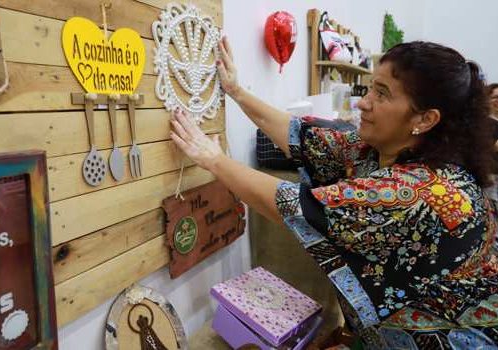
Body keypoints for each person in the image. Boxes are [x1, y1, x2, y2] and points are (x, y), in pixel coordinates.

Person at [170, 38, 498, 349]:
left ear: (425, 119)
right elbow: (304, 137)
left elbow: (298, 206)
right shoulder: (378, 151)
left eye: (382, 94)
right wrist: (237, 92)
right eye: (371, 87)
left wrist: (213, 159)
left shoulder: (422, 192)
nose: (363, 102)